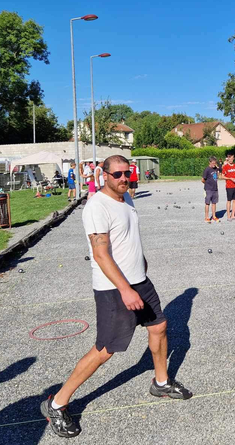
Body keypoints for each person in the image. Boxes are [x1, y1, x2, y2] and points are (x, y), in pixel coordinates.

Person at [41, 155, 192, 439]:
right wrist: (125, 289)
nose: (124, 179)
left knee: (158, 327)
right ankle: (57, 403)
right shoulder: (97, 206)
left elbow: (128, 238)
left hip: (140, 281)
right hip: (114, 289)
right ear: (104, 175)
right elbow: (100, 253)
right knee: (104, 350)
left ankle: (160, 382)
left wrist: (141, 262)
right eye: (118, 174)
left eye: (128, 174)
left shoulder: (127, 199)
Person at [222, 154, 235, 221]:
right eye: (229, 158)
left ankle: (233, 215)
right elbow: (222, 176)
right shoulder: (225, 167)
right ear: (228, 159)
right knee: (229, 200)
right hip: (229, 186)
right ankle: (228, 216)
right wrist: (230, 178)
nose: (231, 159)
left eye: (232, 158)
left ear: (233, 158)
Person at [202, 156, 220, 223]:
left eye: (215, 163)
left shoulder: (215, 169)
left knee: (214, 203)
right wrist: (207, 184)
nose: (214, 164)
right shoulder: (207, 169)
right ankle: (206, 217)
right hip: (208, 189)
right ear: (209, 162)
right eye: (213, 163)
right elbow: (203, 179)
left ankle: (214, 216)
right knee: (207, 203)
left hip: (215, 188)